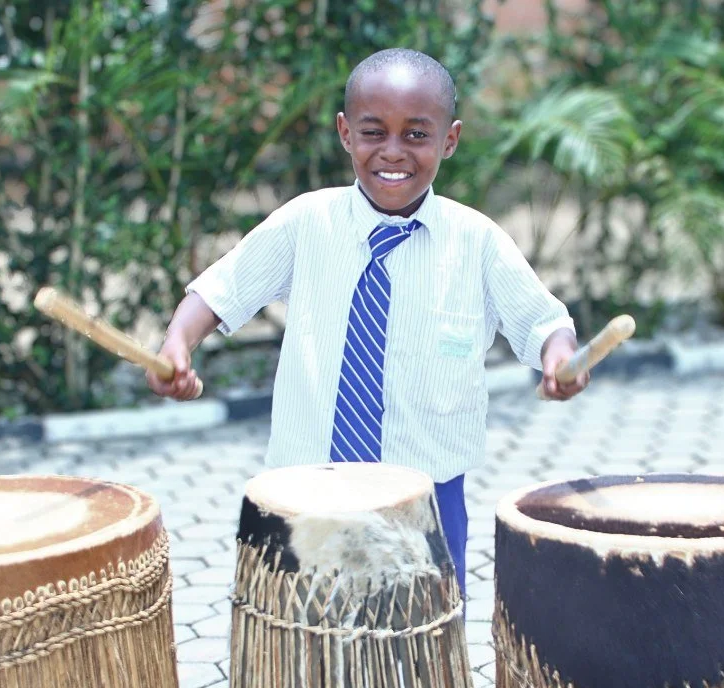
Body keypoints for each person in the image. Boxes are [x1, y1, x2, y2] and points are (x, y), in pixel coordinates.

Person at [148, 48, 588, 594]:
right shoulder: (306, 224)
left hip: (428, 494)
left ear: (449, 140)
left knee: (424, 643)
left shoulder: (476, 243)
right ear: (345, 133)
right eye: (374, 132)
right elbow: (219, 291)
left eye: (416, 135)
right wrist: (177, 341)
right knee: (305, 639)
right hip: (307, 488)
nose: (393, 153)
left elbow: (544, 322)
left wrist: (560, 358)